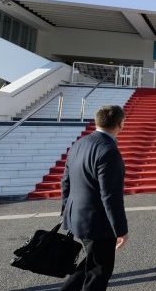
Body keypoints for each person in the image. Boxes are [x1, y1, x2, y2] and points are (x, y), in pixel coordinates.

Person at [60, 105, 128, 291]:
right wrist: (120, 229)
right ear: (120, 123)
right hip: (98, 223)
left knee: (91, 263)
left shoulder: (79, 143)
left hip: (77, 216)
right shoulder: (108, 150)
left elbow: (65, 181)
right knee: (99, 272)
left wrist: (67, 211)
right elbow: (110, 196)